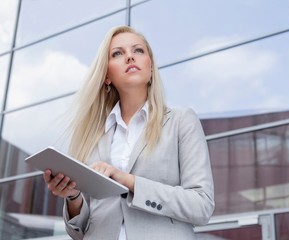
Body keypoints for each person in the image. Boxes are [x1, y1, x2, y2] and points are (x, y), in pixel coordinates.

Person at [43, 25, 215, 240]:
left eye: (138, 51)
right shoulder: (91, 136)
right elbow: (78, 231)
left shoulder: (180, 121)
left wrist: (129, 181)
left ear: (151, 68)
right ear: (106, 75)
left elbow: (201, 206)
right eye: (117, 53)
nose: (130, 57)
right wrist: (73, 197)